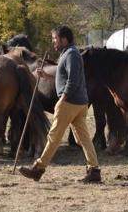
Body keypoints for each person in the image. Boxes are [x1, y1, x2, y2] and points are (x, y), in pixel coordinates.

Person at [19, 25, 101, 183]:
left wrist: (63, 99)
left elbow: (73, 80)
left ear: (64, 39)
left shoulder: (71, 55)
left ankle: (38, 168)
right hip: (78, 102)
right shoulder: (69, 54)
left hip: (69, 103)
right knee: (82, 139)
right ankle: (94, 170)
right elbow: (64, 77)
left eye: (55, 39)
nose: (53, 42)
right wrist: (47, 77)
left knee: (54, 136)